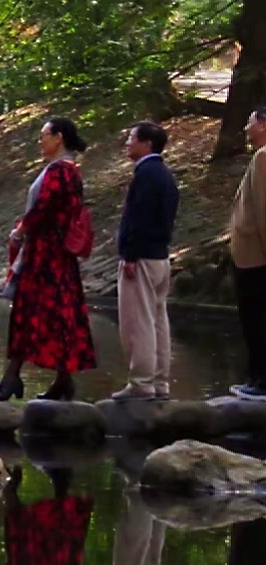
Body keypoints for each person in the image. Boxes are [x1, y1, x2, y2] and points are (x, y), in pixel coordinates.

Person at [0, 116, 95, 402]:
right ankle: (57, 380)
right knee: (49, 313)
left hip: (47, 256)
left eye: (44, 135)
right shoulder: (65, 170)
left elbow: (44, 207)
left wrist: (21, 230)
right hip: (50, 254)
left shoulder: (61, 171)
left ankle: (16, 378)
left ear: (58, 137)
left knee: (36, 312)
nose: (41, 141)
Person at [114, 120, 180, 401]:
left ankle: (141, 382)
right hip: (159, 256)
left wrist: (129, 253)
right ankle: (160, 381)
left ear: (147, 144)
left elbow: (137, 217)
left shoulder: (146, 174)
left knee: (137, 321)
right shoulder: (165, 175)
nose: (128, 142)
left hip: (141, 257)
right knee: (157, 320)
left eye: (132, 138)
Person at [235, 108, 266, 400]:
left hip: (256, 258)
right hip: (253, 256)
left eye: (250, 121)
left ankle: (261, 382)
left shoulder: (264, 157)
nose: (246, 127)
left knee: (256, 318)